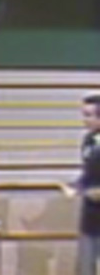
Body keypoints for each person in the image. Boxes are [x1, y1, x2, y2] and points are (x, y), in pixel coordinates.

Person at [72, 94, 100, 275]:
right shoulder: (88, 141)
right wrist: (77, 186)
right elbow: (88, 173)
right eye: (84, 115)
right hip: (90, 217)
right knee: (85, 268)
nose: (85, 120)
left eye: (89, 115)